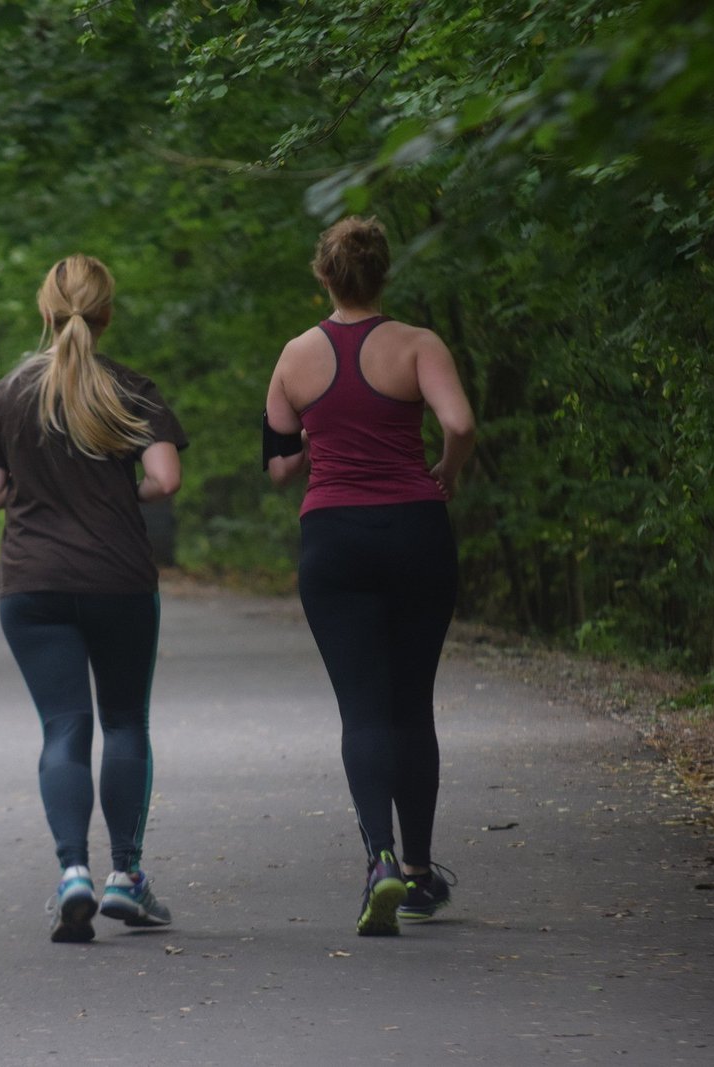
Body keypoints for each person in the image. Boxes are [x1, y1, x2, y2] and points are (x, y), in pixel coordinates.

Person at [263, 216, 476, 936]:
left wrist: (310, 450)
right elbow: (462, 422)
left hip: (334, 540)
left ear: (323, 274)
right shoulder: (419, 345)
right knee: (413, 702)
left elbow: (280, 461)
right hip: (417, 531)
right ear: (385, 273)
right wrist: (446, 468)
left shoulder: (294, 357)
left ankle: (377, 859)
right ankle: (418, 871)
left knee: (362, 708)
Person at [0, 254, 187, 944]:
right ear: (106, 313)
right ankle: (127, 875)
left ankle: (73, 874)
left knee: (65, 728)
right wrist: (118, 491)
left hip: (33, 583)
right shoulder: (131, 389)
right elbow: (166, 478)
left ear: (45, 311)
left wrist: (34, 490)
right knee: (124, 723)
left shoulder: (7, 392)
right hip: (120, 578)